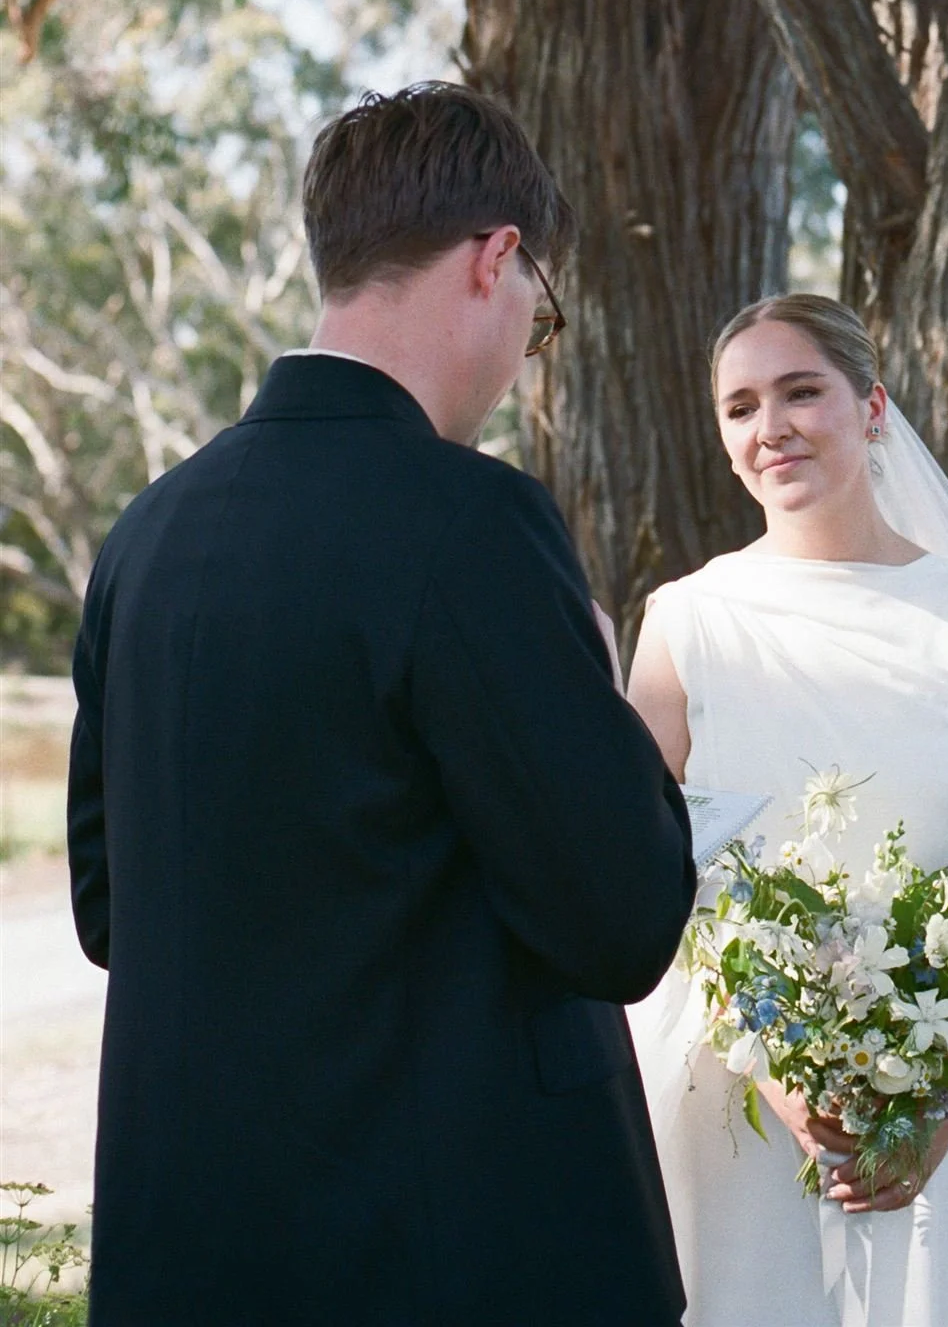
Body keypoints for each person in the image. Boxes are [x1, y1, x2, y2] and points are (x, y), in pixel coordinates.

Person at [68, 82, 696, 1327]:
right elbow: (622, 914)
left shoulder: (146, 535)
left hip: (194, 1252)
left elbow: (107, 909)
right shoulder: (471, 521)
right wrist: (602, 694)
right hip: (453, 1251)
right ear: (496, 259)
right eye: (541, 309)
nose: (529, 344)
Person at [627, 293, 948, 1327]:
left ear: (869, 407)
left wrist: (938, 1101)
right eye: (738, 405)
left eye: (798, 390)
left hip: (941, 1085)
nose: (767, 425)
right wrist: (779, 1068)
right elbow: (648, 870)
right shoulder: (684, 621)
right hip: (729, 1098)